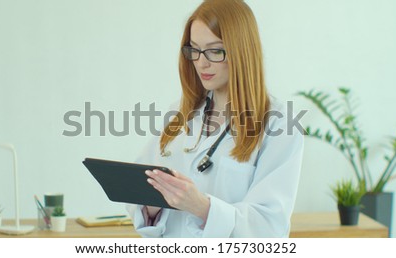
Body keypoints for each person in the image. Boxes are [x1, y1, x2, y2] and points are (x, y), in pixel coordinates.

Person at [126, 0, 303, 237]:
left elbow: (269, 226)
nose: (201, 62)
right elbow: (141, 196)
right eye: (194, 50)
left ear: (241, 51)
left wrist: (201, 207)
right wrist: (151, 205)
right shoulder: (179, 113)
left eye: (215, 51)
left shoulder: (279, 125)